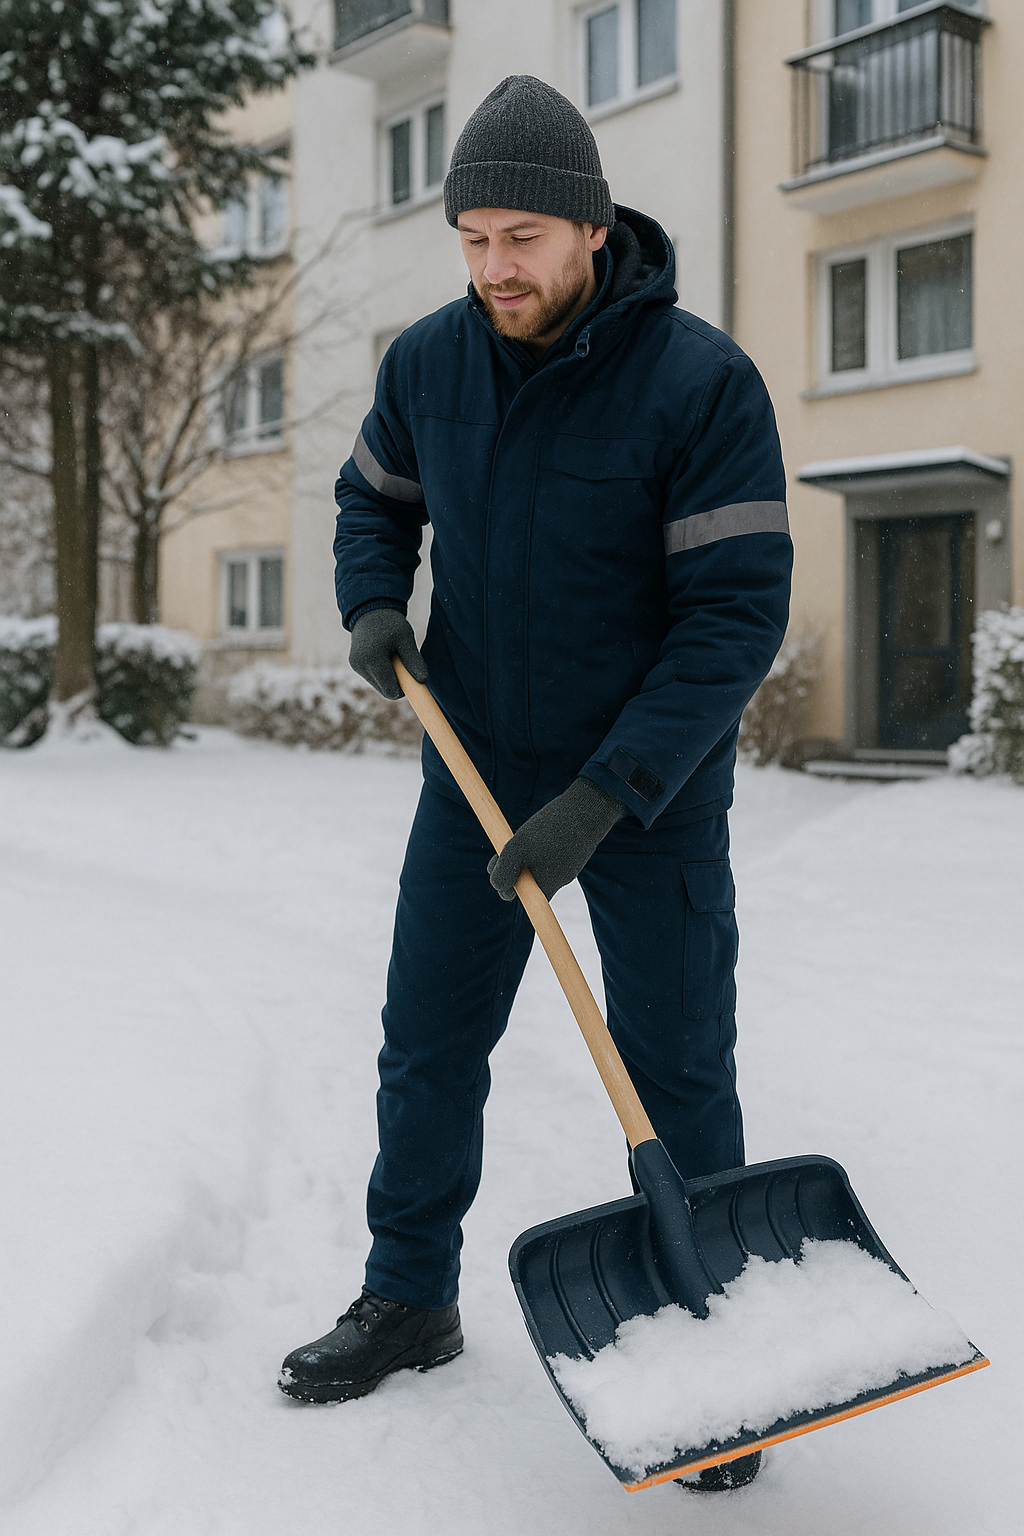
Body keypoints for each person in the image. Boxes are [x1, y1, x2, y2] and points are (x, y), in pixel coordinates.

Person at [279, 76, 791, 1492]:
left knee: (676, 1060)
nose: (495, 268)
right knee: (429, 1042)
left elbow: (734, 617)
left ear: (588, 226)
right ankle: (410, 1295)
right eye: (473, 240)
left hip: (651, 790)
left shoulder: (700, 384)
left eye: (521, 238)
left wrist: (610, 793)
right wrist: (376, 607)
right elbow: (372, 502)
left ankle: (717, 1334)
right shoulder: (431, 364)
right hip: (481, 765)